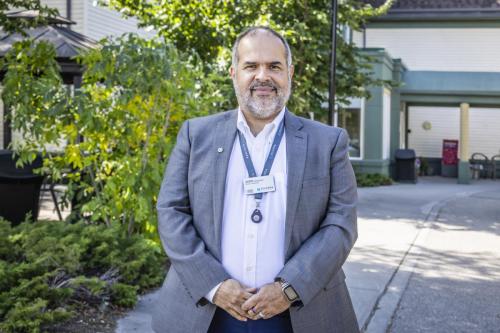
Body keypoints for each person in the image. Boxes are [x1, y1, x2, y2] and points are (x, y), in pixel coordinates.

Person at [152, 26, 359, 333]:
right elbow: (171, 211)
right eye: (251, 66)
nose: (263, 76)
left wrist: (290, 288)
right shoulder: (196, 135)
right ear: (234, 73)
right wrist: (214, 285)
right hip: (207, 311)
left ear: (290, 73)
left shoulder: (327, 142)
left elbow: (340, 224)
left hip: (300, 313)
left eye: (274, 66)